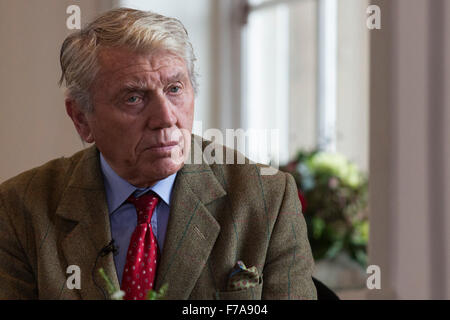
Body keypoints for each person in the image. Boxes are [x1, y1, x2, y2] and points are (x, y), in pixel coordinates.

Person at [0, 8, 317, 300]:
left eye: (175, 89)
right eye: (134, 98)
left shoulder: (267, 197)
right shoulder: (20, 208)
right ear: (82, 118)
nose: (166, 118)